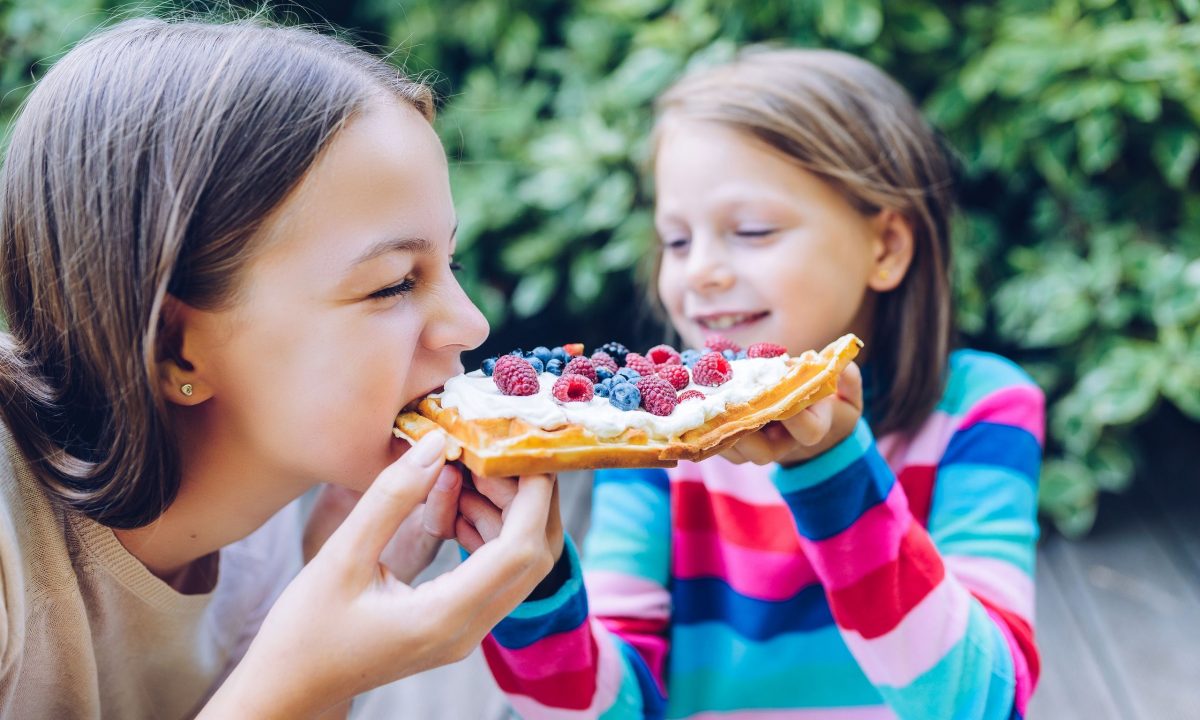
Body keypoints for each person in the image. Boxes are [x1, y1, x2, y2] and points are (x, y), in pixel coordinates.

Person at [0, 17, 562, 719]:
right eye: (393, 283)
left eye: (452, 264)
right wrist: (297, 680)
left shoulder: (260, 534)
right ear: (176, 347)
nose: (472, 324)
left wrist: (325, 585)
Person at [481, 48, 1043, 719]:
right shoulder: (652, 441)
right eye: (677, 241)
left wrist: (831, 466)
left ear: (887, 246)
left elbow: (986, 702)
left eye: (751, 231)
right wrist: (530, 580)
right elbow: (614, 708)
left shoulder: (983, 410)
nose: (701, 271)